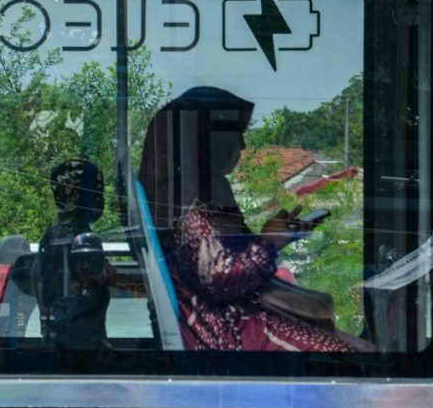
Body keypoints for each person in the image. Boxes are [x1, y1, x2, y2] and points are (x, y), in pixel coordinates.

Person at [138, 86, 367, 352]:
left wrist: (279, 236)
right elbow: (216, 278)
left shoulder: (202, 186)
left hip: (235, 316)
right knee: (356, 355)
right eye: (236, 134)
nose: (243, 145)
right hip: (224, 329)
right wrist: (270, 242)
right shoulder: (188, 195)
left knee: (358, 346)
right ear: (207, 137)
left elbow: (233, 253)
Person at [34, 159, 105, 341]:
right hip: (81, 342)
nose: (100, 198)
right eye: (96, 191)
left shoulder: (52, 236)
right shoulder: (80, 239)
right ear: (76, 195)